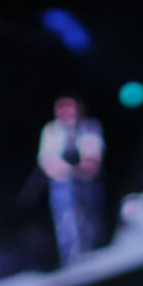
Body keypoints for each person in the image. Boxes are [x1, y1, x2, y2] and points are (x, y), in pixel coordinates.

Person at [37, 97, 105, 267]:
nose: (65, 113)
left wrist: (84, 168)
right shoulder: (51, 130)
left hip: (87, 179)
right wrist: (64, 170)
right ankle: (71, 256)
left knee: (90, 213)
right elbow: (46, 158)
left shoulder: (89, 126)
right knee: (66, 218)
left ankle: (94, 250)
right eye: (61, 109)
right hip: (62, 182)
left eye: (69, 108)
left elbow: (94, 152)